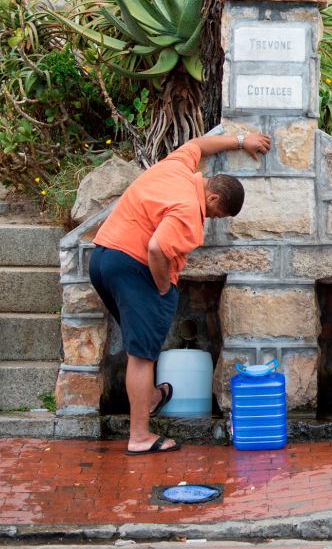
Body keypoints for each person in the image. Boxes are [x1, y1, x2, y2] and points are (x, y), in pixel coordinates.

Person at [89, 132, 270, 456]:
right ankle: (140, 436)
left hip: (102, 258)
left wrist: (241, 140)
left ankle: (154, 399)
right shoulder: (189, 210)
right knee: (141, 354)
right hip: (134, 267)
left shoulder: (178, 169)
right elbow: (156, 247)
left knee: (141, 344)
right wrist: (161, 286)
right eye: (217, 215)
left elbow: (199, 146)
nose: (213, 219)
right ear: (213, 200)